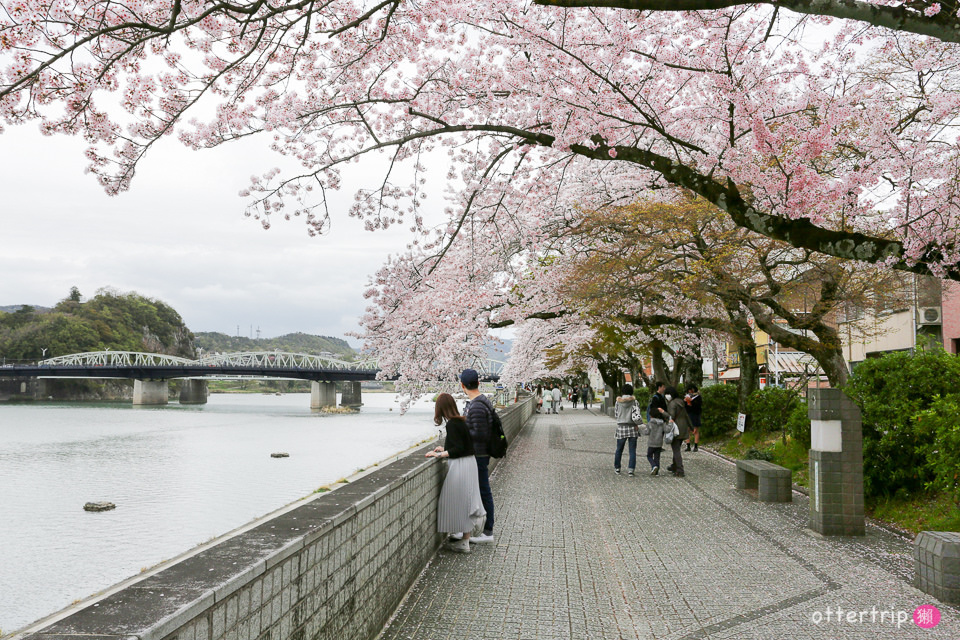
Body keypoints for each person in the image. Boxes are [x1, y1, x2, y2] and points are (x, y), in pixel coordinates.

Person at [426, 393, 486, 553]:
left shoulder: (452, 424)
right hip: (469, 463)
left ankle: (464, 541)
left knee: (457, 499)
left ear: (440, 408)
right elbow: (462, 445)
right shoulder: (461, 421)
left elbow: (458, 449)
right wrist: (445, 449)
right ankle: (464, 540)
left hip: (461, 465)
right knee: (466, 500)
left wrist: (440, 454)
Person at [461, 368, 496, 544]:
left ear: (462, 385)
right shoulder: (483, 402)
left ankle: (488, 531)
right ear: (478, 383)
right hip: (481, 453)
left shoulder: (476, 405)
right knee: (480, 491)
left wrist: (463, 430)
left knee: (483, 491)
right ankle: (476, 529)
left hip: (479, 454)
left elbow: (479, 433)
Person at [613, 383, 640, 476]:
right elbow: (637, 414)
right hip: (632, 427)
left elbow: (616, 414)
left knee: (619, 449)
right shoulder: (635, 402)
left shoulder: (618, 402)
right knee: (632, 450)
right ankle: (631, 470)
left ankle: (617, 468)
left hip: (621, 427)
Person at [665, 386, 691, 477]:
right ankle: (674, 465)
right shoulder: (681, 402)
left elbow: (670, 416)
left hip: (675, 429)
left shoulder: (672, 404)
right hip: (683, 428)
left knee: (676, 450)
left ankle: (680, 470)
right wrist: (691, 427)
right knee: (677, 448)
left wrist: (663, 413)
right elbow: (686, 416)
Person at [646, 403, 667, 476]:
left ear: (650, 415)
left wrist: (639, 430)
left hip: (651, 443)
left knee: (649, 456)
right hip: (659, 443)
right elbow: (666, 430)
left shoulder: (650, 423)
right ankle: (656, 472)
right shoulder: (662, 423)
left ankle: (653, 466)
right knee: (657, 457)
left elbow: (647, 432)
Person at [684, 383, 702, 452]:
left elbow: (699, 406)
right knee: (687, 430)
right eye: (689, 390)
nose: (690, 391)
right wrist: (686, 402)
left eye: (691, 390)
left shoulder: (697, 396)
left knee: (695, 430)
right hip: (688, 414)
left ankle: (696, 446)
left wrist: (691, 402)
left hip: (695, 414)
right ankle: (688, 445)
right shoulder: (686, 396)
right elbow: (684, 406)